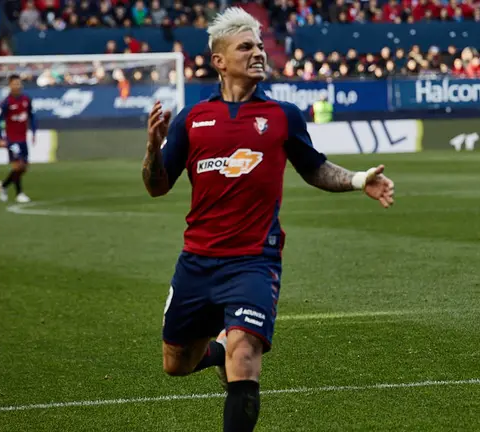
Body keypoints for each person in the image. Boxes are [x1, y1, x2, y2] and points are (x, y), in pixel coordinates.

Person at [141, 7, 394, 432]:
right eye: (245, 47)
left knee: (245, 357)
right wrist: (152, 147)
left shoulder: (282, 116)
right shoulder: (193, 120)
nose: (257, 53)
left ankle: (230, 351)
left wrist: (356, 180)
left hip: (254, 262)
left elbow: (314, 167)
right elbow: (156, 185)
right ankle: (215, 350)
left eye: (259, 45)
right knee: (176, 364)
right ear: (220, 61)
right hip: (198, 261)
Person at [0, 74, 35, 203]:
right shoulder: (6, 102)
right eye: (14, 84)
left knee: (24, 167)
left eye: (19, 83)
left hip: (23, 138)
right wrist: (1, 137)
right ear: (10, 85)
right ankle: (19, 193)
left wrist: (34, 132)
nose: (17, 86)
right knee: (18, 165)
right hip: (12, 139)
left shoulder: (26, 100)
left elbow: (31, 116)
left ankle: (3, 185)